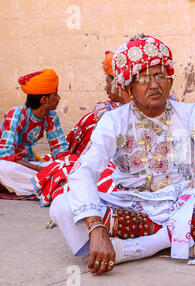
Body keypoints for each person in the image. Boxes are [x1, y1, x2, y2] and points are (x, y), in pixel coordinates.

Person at [49, 34, 195, 275]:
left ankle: (147, 245)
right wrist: (96, 227)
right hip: (133, 209)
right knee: (63, 205)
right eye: (144, 78)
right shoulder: (113, 121)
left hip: (185, 203)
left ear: (169, 80)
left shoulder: (189, 114)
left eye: (160, 76)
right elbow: (83, 172)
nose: (154, 85)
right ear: (129, 86)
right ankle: (179, 239)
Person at [32, 51, 130, 206]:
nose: (105, 88)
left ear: (118, 83)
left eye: (107, 82)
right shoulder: (104, 114)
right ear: (44, 100)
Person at [0, 69, 68, 195]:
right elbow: (5, 153)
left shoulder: (51, 116)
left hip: (26, 164)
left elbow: (60, 148)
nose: (58, 98)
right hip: (10, 164)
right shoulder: (16, 115)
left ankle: (41, 184)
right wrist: (38, 169)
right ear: (44, 100)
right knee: (3, 168)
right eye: (55, 94)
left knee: (61, 166)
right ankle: (48, 185)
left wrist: (63, 165)